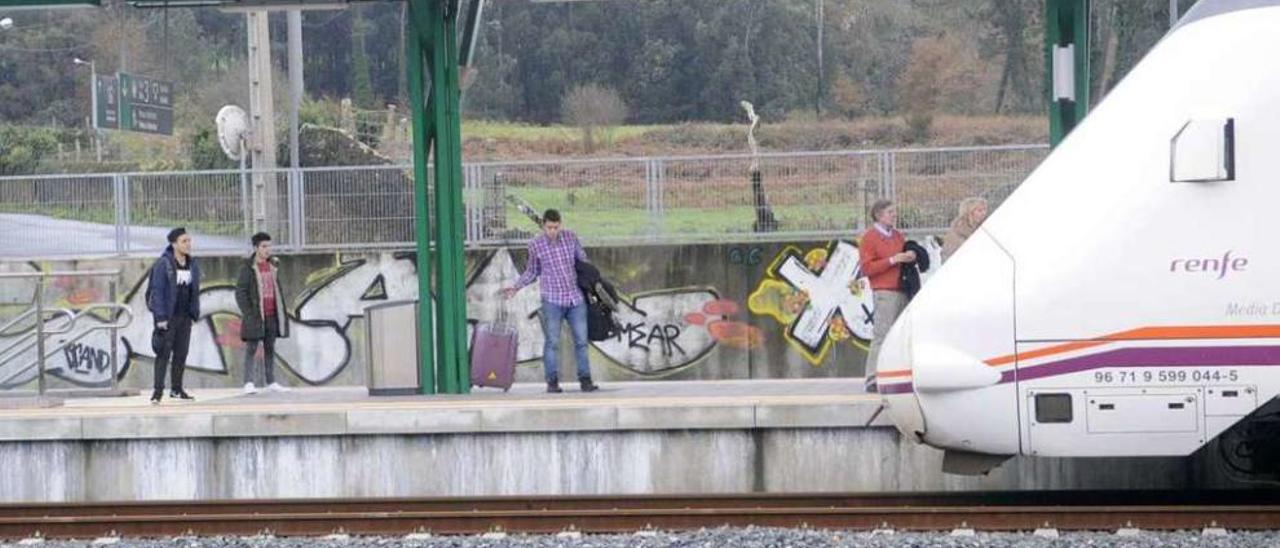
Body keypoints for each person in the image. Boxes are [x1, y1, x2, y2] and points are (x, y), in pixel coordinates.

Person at [502, 209, 600, 393]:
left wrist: (591, 279)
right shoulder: (536, 245)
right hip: (552, 300)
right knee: (552, 342)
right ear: (543, 226)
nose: (553, 231)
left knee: (581, 340)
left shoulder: (570, 238)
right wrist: (516, 287)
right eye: (549, 227)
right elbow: (532, 271)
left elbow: (583, 261)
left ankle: (585, 380)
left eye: (556, 227)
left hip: (575, 298)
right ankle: (552, 381)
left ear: (560, 224)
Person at [858, 200, 915, 392]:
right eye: (890, 212)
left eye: (894, 211)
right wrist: (892, 260)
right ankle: (872, 376)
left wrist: (911, 256)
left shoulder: (898, 236)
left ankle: (897, 373)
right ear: (879, 215)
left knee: (900, 336)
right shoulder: (870, 238)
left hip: (902, 288)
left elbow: (904, 256)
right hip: (884, 291)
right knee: (882, 334)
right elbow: (867, 268)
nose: (894, 215)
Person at [147, 228, 201, 404]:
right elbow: (158, 291)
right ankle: (157, 392)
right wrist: (160, 318)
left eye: (189, 241)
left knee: (181, 354)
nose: (188, 244)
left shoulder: (192, 264)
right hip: (168, 317)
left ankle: (177, 389)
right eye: (184, 241)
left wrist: (194, 311)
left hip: (185, 316)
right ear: (174, 244)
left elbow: (194, 290)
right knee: (163, 354)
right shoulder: (164, 263)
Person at [235, 232, 291, 395]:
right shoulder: (248, 268)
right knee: (251, 349)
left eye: (269, 246)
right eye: (264, 246)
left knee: (270, 348)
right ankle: (248, 382)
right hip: (256, 316)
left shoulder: (273, 266)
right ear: (256, 248)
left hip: (272, 315)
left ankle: (271, 381)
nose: (268, 249)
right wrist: (249, 313)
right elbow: (240, 292)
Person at [941, 197, 988, 262]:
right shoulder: (957, 232)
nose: (984, 213)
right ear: (969, 212)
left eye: (985, 210)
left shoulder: (985, 229)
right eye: (979, 210)